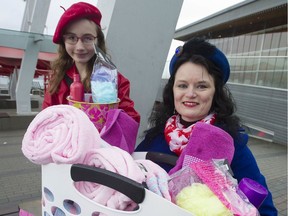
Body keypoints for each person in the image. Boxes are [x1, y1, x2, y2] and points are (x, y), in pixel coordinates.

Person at [135, 37, 277, 215]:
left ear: (215, 92)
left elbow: (266, 210)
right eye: (182, 85)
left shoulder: (231, 144)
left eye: (201, 86)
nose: (190, 93)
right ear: (173, 91)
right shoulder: (156, 136)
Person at [42, 2, 140, 123]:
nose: (79, 47)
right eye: (72, 38)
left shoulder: (117, 81)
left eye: (88, 38)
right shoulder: (56, 80)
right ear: (64, 42)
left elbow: (131, 120)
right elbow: (44, 120)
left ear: (98, 41)